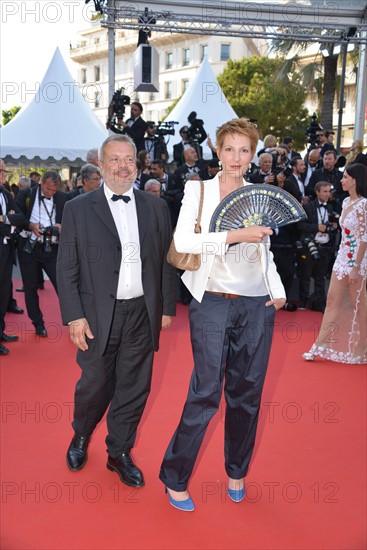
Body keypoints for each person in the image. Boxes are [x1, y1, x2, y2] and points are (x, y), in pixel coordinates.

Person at [159, 118, 286, 512]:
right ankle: (175, 478)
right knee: (206, 391)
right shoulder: (198, 190)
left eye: (244, 150)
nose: (236, 157)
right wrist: (233, 235)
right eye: (229, 149)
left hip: (257, 305)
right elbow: (183, 241)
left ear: (253, 153)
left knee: (248, 395)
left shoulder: (260, 194)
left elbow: (263, 253)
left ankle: (236, 470)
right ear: (218, 151)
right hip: (212, 300)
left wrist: (277, 293)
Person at [57, 134, 176, 487]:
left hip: (142, 311)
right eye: (115, 160)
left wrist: (166, 306)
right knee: (94, 384)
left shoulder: (156, 207)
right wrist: (74, 316)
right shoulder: (78, 208)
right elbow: (66, 268)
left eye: (129, 160)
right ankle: (81, 434)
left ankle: (119, 452)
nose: (123, 166)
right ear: (102, 164)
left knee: (134, 386)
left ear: (136, 166)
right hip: (95, 315)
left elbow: (166, 262)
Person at [302, 163, 367, 363]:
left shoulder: (364, 204)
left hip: (358, 261)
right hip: (342, 258)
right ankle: (319, 345)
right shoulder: (346, 201)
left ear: (355, 180)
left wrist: (356, 267)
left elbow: (365, 237)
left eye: (345, 177)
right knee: (332, 301)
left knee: (360, 306)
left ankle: (360, 349)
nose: (341, 180)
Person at [15, 170, 68, 337]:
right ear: (41, 182)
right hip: (29, 247)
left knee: (63, 285)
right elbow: (16, 215)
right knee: (31, 288)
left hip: (52, 248)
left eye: (53, 190)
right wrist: (30, 225)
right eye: (47, 189)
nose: (50, 193)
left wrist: (61, 226)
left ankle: (73, 321)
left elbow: (70, 220)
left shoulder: (62, 198)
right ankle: (38, 323)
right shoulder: (26, 194)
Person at [297, 182, 339, 311]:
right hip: (310, 246)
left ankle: (319, 304)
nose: (327, 194)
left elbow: (334, 227)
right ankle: (303, 303)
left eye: (328, 191)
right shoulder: (308, 207)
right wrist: (316, 227)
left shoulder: (331, 208)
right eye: (324, 191)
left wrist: (334, 228)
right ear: (317, 192)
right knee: (306, 275)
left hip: (326, 247)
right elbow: (300, 225)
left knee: (320, 277)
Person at [0, 159, 25, 355]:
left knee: (4, 290)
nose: (4, 174)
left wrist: (5, 218)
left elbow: (20, 217)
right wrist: (9, 223)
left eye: (4, 170)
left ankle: (0, 331)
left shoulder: (7, 194)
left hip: (7, 249)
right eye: (2, 170)